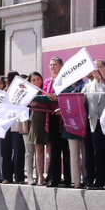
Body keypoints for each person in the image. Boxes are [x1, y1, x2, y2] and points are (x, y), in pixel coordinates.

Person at [44, 57, 71, 187]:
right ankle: (54, 178)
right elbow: (44, 98)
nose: (52, 67)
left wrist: (58, 98)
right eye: (50, 65)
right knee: (54, 150)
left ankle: (67, 179)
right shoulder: (47, 82)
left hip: (65, 119)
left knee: (66, 150)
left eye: (55, 64)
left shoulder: (66, 80)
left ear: (61, 66)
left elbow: (70, 97)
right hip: (52, 118)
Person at [84, 62, 105, 189]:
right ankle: (97, 180)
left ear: (104, 68)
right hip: (93, 122)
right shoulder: (87, 86)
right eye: (93, 68)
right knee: (96, 152)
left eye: (98, 67)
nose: (95, 70)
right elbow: (79, 100)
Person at [26, 72, 48, 185]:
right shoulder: (28, 93)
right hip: (36, 120)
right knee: (38, 150)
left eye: (38, 79)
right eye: (33, 80)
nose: (36, 82)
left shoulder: (47, 89)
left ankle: (49, 175)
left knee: (50, 149)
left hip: (49, 119)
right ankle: (40, 176)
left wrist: (39, 104)